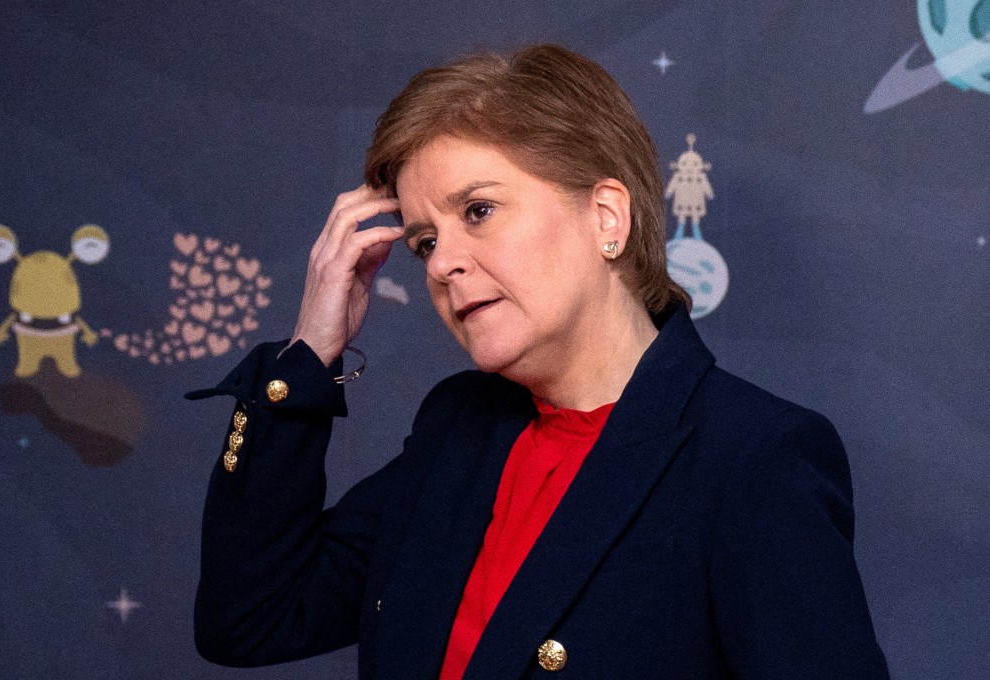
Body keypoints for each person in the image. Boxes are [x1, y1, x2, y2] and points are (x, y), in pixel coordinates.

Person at [187, 44, 889, 679]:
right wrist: (307, 355)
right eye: (426, 241)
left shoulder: (752, 459)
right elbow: (250, 618)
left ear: (607, 218)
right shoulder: (457, 430)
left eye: (479, 211)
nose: (446, 264)